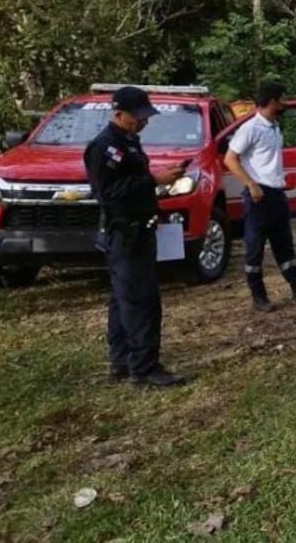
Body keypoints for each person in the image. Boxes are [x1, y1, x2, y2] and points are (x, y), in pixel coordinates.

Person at [84, 86, 188, 388]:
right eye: (137, 117)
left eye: (146, 116)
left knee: (123, 298)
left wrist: (159, 180)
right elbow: (107, 193)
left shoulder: (129, 142)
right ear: (118, 114)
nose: (143, 122)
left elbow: (132, 182)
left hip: (140, 228)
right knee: (140, 300)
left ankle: (122, 359)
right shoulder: (104, 146)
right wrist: (152, 179)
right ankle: (144, 368)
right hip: (125, 232)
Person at [224, 80, 296, 312]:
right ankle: (259, 296)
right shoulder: (250, 129)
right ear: (271, 101)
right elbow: (230, 159)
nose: (284, 103)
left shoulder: (274, 127)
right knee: (255, 247)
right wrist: (251, 184)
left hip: (276, 194)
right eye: (281, 99)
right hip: (259, 194)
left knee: (284, 244)